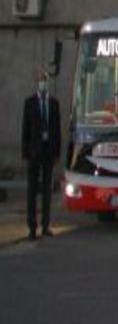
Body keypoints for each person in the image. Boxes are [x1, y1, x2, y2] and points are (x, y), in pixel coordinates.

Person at [22, 70, 61, 240]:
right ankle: (32, 226)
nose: (43, 84)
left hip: (48, 151)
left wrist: (57, 152)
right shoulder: (29, 103)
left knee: (47, 190)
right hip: (34, 151)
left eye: (45, 81)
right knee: (32, 190)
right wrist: (25, 153)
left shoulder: (53, 103)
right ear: (37, 84)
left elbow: (57, 129)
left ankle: (45, 225)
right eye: (40, 81)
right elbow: (25, 129)